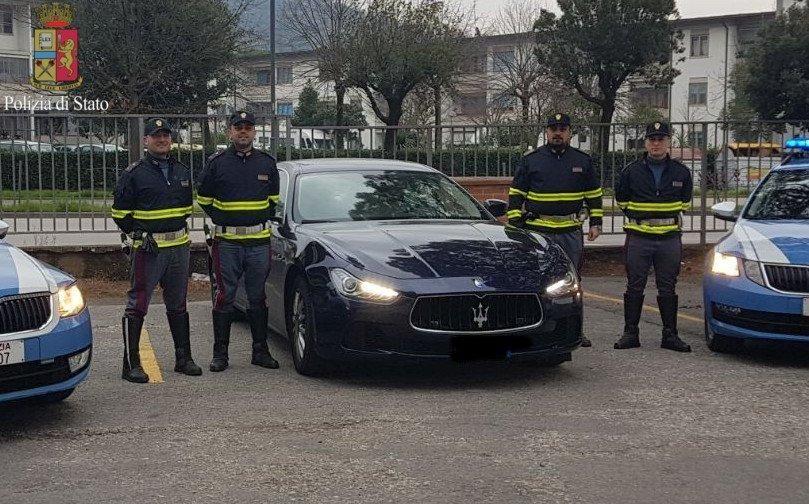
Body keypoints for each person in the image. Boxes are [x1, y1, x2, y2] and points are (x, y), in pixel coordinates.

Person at [111, 118, 201, 383]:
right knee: (138, 304)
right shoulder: (134, 172)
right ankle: (131, 364)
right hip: (149, 249)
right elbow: (119, 213)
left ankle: (183, 358)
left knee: (178, 304)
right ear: (146, 141)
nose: (162, 140)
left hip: (178, 248)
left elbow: (186, 210)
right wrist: (138, 233)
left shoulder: (182, 170)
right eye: (156, 136)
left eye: (165, 136)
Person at [507, 113, 603, 347]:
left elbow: (594, 194)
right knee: (535, 280)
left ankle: (575, 331)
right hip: (538, 232)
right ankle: (533, 328)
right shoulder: (532, 160)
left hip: (570, 230)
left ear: (570, 133)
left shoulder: (582, 160)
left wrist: (596, 223)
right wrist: (515, 224)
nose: (557, 132)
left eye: (562, 128)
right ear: (546, 133)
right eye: (553, 128)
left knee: (573, 282)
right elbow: (516, 194)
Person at [197, 111, 281, 372]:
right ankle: (220, 354)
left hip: (258, 242)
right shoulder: (217, 163)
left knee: (258, 297)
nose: (243, 132)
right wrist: (228, 219)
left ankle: (260, 351)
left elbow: (272, 202)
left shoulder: (267, 163)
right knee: (225, 296)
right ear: (229, 132)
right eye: (238, 128)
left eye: (248, 127)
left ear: (254, 132)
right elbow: (204, 200)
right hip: (228, 243)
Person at [613, 121, 693, 352]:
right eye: (652, 139)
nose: (656, 143)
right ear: (646, 143)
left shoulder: (681, 172)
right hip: (639, 237)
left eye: (661, 139)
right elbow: (623, 201)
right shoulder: (631, 171)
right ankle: (630, 334)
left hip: (669, 238)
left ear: (669, 142)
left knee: (668, 286)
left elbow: (685, 203)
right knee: (634, 285)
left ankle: (670, 335)